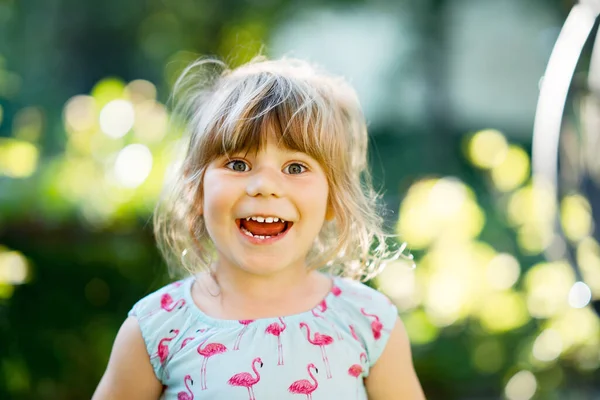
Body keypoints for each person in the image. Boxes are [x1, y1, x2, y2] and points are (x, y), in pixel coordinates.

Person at [93, 55, 426, 399]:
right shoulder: (155, 330)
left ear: (332, 199)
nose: (265, 186)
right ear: (197, 191)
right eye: (238, 163)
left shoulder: (369, 323)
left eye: (295, 168)